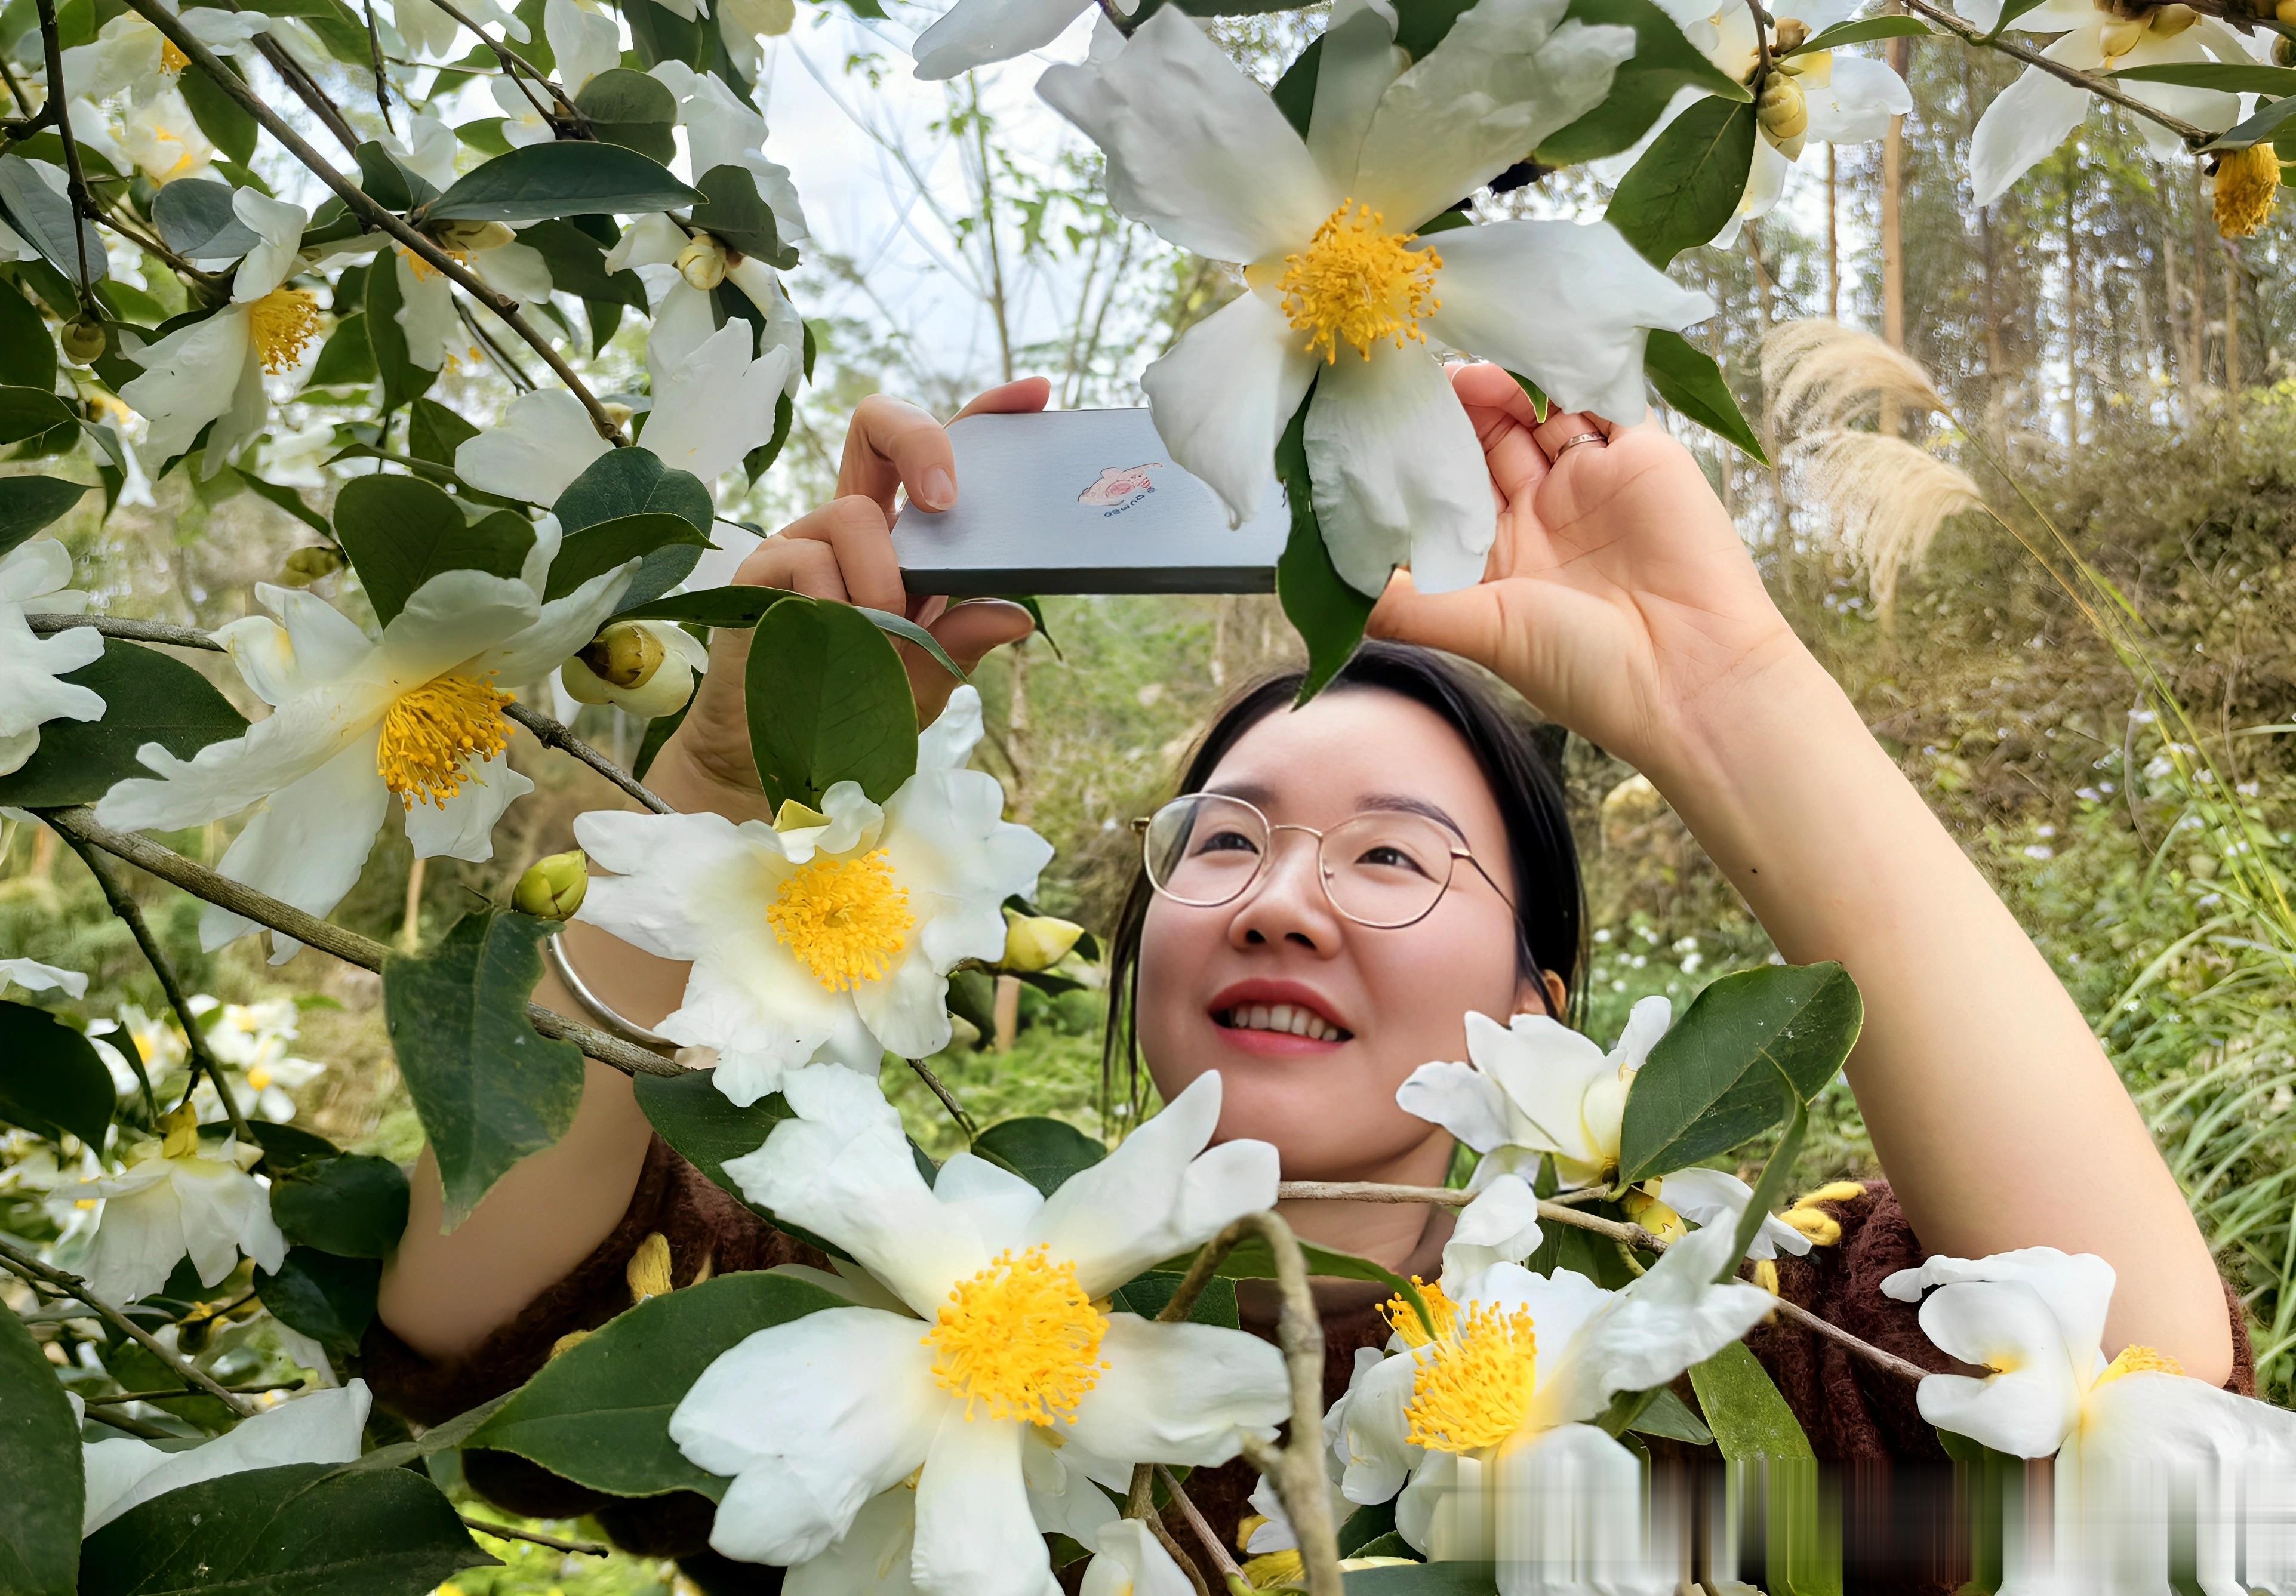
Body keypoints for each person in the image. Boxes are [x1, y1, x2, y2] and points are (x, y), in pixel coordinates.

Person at [365, 367, 2244, 1592]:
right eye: (1225, 841)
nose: (1280, 903)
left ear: (1539, 1009)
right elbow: (492, 1317)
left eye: (1394, 856)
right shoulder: (918, 1312)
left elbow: (2141, 1381)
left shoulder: (1711, 1362)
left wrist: (1718, 689)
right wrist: (716, 796)